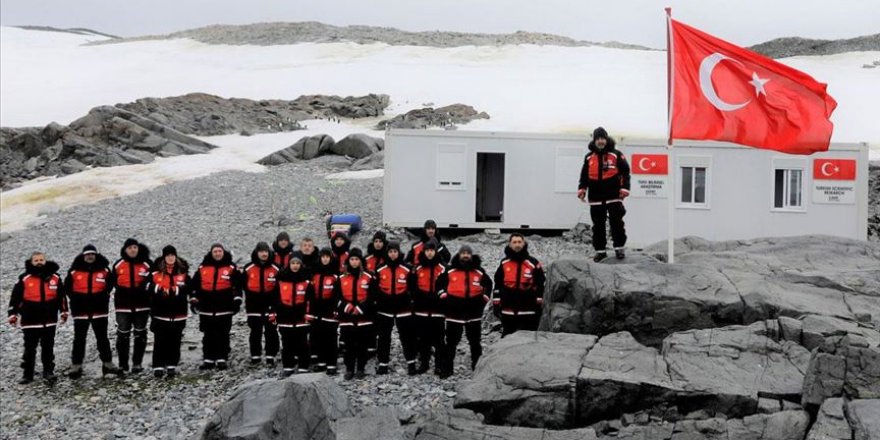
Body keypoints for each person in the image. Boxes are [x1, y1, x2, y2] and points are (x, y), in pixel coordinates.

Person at [8, 252, 67, 384]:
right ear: (31, 262)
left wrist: (64, 312)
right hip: (30, 321)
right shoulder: (24, 278)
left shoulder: (55, 278)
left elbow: (61, 297)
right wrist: (13, 314)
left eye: (41, 260)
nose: (39, 262)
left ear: (45, 261)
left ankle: (48, 372)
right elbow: (15, 298)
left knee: (48, 347)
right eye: (36, 260)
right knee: (29, 349)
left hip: (49, 320)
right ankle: (27, 374)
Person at [65, 244, 121, 379]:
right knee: (79, 339)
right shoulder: (74, 271)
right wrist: (75, 299)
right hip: (80, 312)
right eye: (87, 254)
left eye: (92, 254)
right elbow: (67, 288)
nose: (90, 256)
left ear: (96, 255)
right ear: (83, 256)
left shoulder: (105, 270)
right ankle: (76, 365)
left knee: (102, 337)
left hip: (99, 310)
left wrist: (104, 295)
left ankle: (107, 363)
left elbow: (111, 283)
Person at [437, 245, 492, 378]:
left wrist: (484, 299)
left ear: (471, 255)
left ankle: (477, 366)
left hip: (473, 312)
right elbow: (439, 284)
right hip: (454, 313)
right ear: (459, 255)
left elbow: (488, 284)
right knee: (451, 342)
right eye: (463, 253)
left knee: (475, 342)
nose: (466, 255)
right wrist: (444, 297)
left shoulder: (479, 271)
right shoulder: (449, 270)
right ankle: (447, 368)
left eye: (468, 253)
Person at [577, 126, 631, 262]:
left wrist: (625, 189)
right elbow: (584, 175)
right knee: (598, 225)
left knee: (616, 222)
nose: (600, 141)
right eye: (598, 139)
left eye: (603, 138)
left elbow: (625, 172)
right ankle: (600, 251)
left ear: (606, 139)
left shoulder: (616, 154)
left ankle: (619, 248)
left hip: (613, 195)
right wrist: (582, 189)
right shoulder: (589, 157)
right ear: (594, 140)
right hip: (595, 196)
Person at [190, 243, 241, 371]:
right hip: (206, 307)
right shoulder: (203, 267)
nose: (218, 253)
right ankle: (208, 359)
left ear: (223, 252)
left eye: (220, 251)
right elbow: (194, 285)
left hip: (225, 307)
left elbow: (237, 286)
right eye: (215, 251)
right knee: (208, 334)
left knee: (223, 333)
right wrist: (194, 299)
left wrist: (237, 300)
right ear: (211, 253)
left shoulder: (231, 267)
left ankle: (222, 358)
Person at [373, 241, 418, 375]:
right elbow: (375, 288)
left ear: (399, 253)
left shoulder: (407, 268)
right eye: (390, 252)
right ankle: (383, 364)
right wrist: (378, 301)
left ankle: (411, 363)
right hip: (385, 308)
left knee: (407, 336)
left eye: (395, 251)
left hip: (403, 308)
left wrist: (410, 300)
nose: (393, 254)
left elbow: (413, 287)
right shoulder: (380, 268)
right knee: (384, 337)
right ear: (387, 253)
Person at [147, 246, 190, 379]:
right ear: (164, 257)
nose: (170, 258)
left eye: (172, 255)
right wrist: (159, 289)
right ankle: (158, 365)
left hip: (178, 314)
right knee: (160, 340)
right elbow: (147, 286)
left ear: (176, 257)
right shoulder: (155, 273)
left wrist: (176, 290)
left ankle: (172, 365)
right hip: (160, 313)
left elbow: (189, 287)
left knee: (175, 340)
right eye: (168, 256)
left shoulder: (183, 273)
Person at [111, 238, 152, 373]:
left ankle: (137, 363)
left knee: (140, 333)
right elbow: (110, 283)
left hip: (142, 306)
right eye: (130, 248)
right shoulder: (118, 265)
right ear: (125, 250)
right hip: (123, 306)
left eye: (135, 247)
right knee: (123, 334)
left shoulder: (147, 264)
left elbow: (154, 281)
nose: (132, 250)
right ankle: (123, 364)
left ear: (138, 248)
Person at [492, 234, 546, 336]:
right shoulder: (504, 263)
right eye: (514, 242)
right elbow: (498, 283)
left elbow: (540, 282)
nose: (517, 245)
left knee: (528, 339)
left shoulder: (533, 262)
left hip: (528, 309)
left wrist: (539, 302)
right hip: (508, 309)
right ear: (510, 244)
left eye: (519, 242)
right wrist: (496, 302)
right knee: (508, 338)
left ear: (524, 244)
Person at [408, 238, 446, 375]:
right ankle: (424, 364)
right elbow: (412, 288)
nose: (430, 253)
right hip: (421, 309)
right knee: (423, 339)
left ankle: (439, 365)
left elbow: (447, 288)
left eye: (432, 250)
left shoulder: (443, 268)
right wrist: (413, 302)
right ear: (423, 252)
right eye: (427, 250)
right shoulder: (417, 269)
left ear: (436, 252)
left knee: (439, 339)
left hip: (437, 310)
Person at [335, 248, 375, 380]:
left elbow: (373, 296)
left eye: (356, 259)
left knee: (362, 344)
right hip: (347, 317)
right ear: (348, 261)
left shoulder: (369, 277)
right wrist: (347, 307)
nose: (354, 262)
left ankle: (361, 368)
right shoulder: (341, 278)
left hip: (364, 317)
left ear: (361, 261)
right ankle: (349, 368)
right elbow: (336, 297)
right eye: (352, 259)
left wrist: (361, 307)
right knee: (348, 344)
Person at [270, 256, 312, 377]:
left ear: (301, 265)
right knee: (287, 343)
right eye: (293, 263)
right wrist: (274, 313)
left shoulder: (306, 281)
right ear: (289, 265)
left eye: (297, 263)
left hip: (301, 318)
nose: (295, 265)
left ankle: (303, 367)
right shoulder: (281, 281)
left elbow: (310, 300)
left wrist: (308, 314)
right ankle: (288, 366)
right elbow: (275, 299)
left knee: (303, 343)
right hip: (285, 317)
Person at [242, 242, 280, 366]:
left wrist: (276, 306)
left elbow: (280, 288)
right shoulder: (248, 268)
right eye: (261, 251)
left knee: (271, 331)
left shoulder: (276, 268)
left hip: (271, 305)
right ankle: (255, 355)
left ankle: (271, 355)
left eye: (266, 251)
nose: (264, 254)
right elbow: (241, 286)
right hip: (253, 305)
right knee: (255, 331)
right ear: (256, 253)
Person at [309, 247, 340, 375]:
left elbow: (338, 294)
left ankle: (331, 363)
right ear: (320, 258)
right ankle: (321, 362)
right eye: (323, 257)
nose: (325, 259)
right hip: (317, 310)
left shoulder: (335, 275)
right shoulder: (315, 275)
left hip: (330, 310)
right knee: (318, 336)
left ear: (331, 258)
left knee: (331, 337)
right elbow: (310, 293)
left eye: (327, 257)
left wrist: (336, 309)